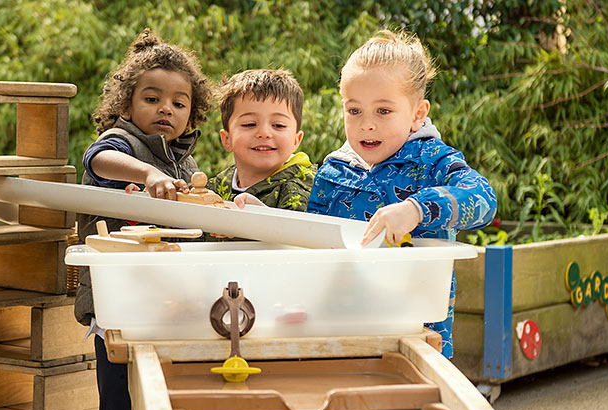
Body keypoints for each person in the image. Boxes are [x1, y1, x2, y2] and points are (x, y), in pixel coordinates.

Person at [307, 30, 497, 358]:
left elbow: (484, 197)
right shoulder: (332, 171)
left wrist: (416, 209)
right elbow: (309, 242)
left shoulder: (431, 160)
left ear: (418, 114)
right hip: (340, 333)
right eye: (354, 111)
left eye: (383, 111)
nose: (367, 124)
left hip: (417, 338)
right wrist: (261, 216)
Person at [74, 29, 212, 410]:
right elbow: (97, 158)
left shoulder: (185, 163)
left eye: (178, 102)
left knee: (164, 408)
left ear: (192, 113)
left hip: (170, 308)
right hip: (119, 309)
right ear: (126, 105)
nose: (165, 109)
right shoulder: (123, 143)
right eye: (151, 99)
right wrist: (148, 173)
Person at [207, 69, 316, 210]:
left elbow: (298, 230)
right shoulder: (217, 185)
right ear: (227, 139)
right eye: (249, 124)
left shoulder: (303, 188)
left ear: (296, 140)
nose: (264, 133)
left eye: (278, 125)